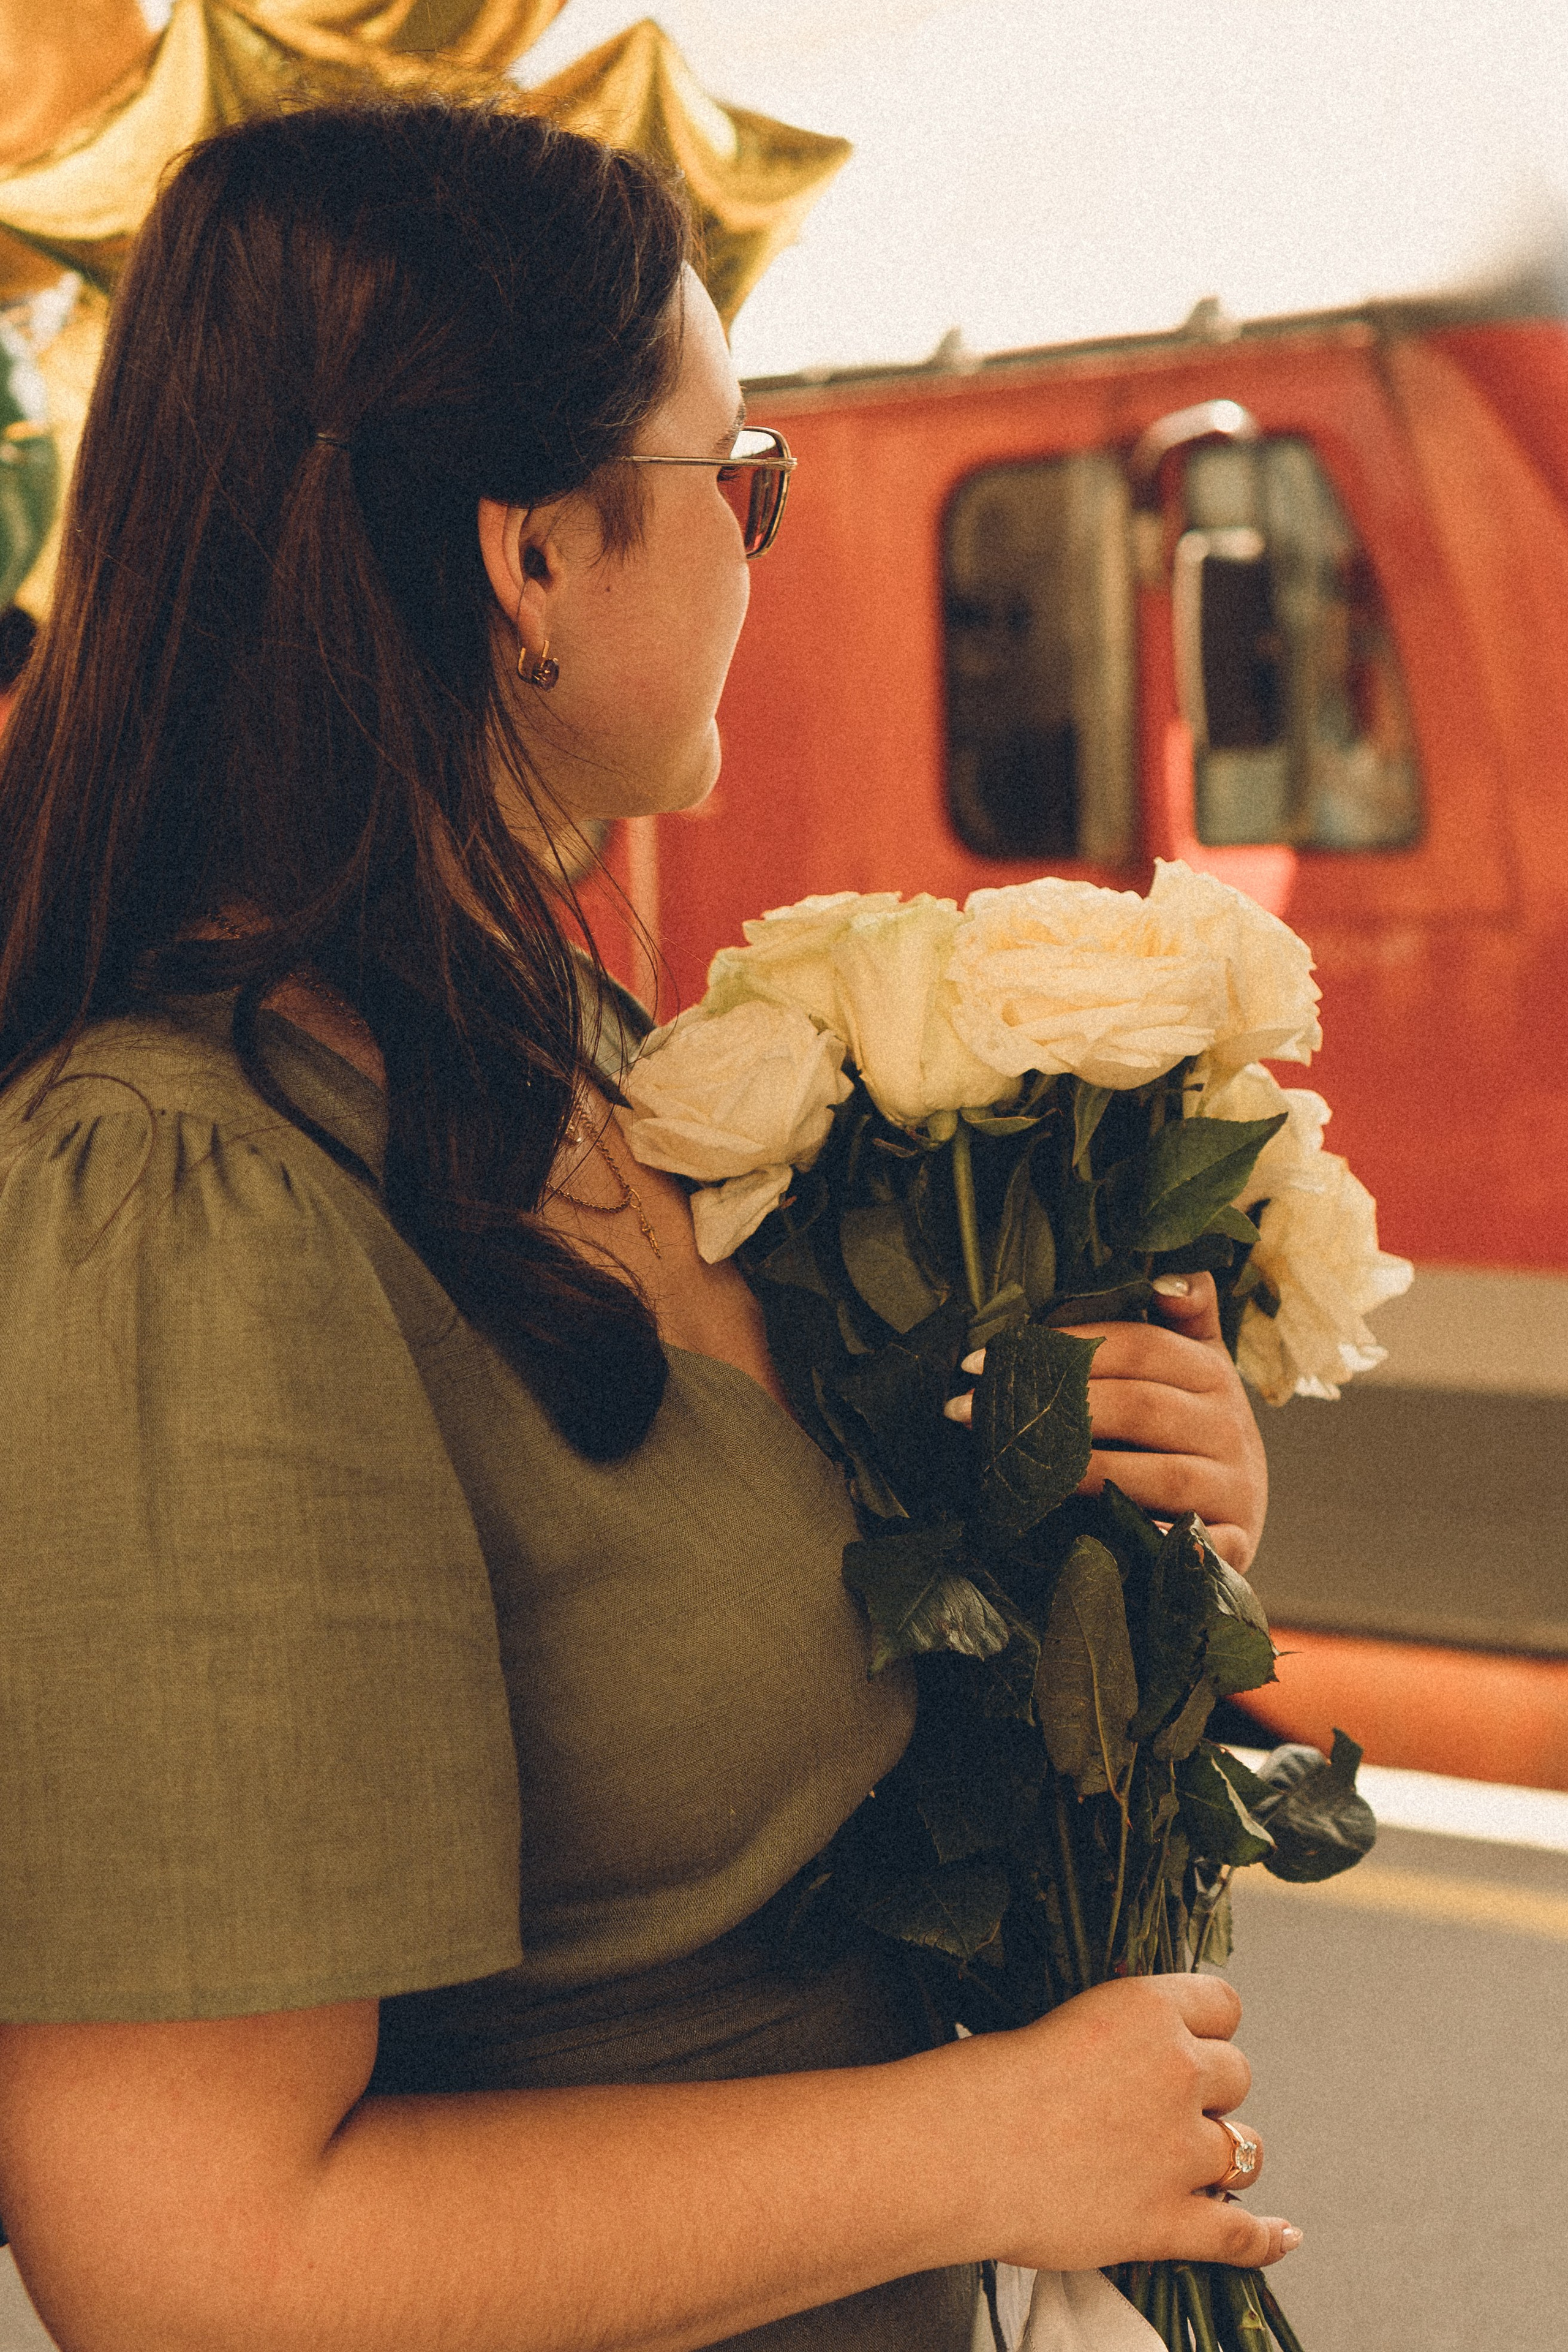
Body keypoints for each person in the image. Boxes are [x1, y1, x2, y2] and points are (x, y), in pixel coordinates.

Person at [0, 99, 1293, 2352]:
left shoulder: (591, 1055)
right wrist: (988, 2142)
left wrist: (1130, 1535)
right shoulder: (188, 1203)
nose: (759, 546)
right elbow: (194, 2262)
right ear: (532, 556)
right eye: (743, 483)